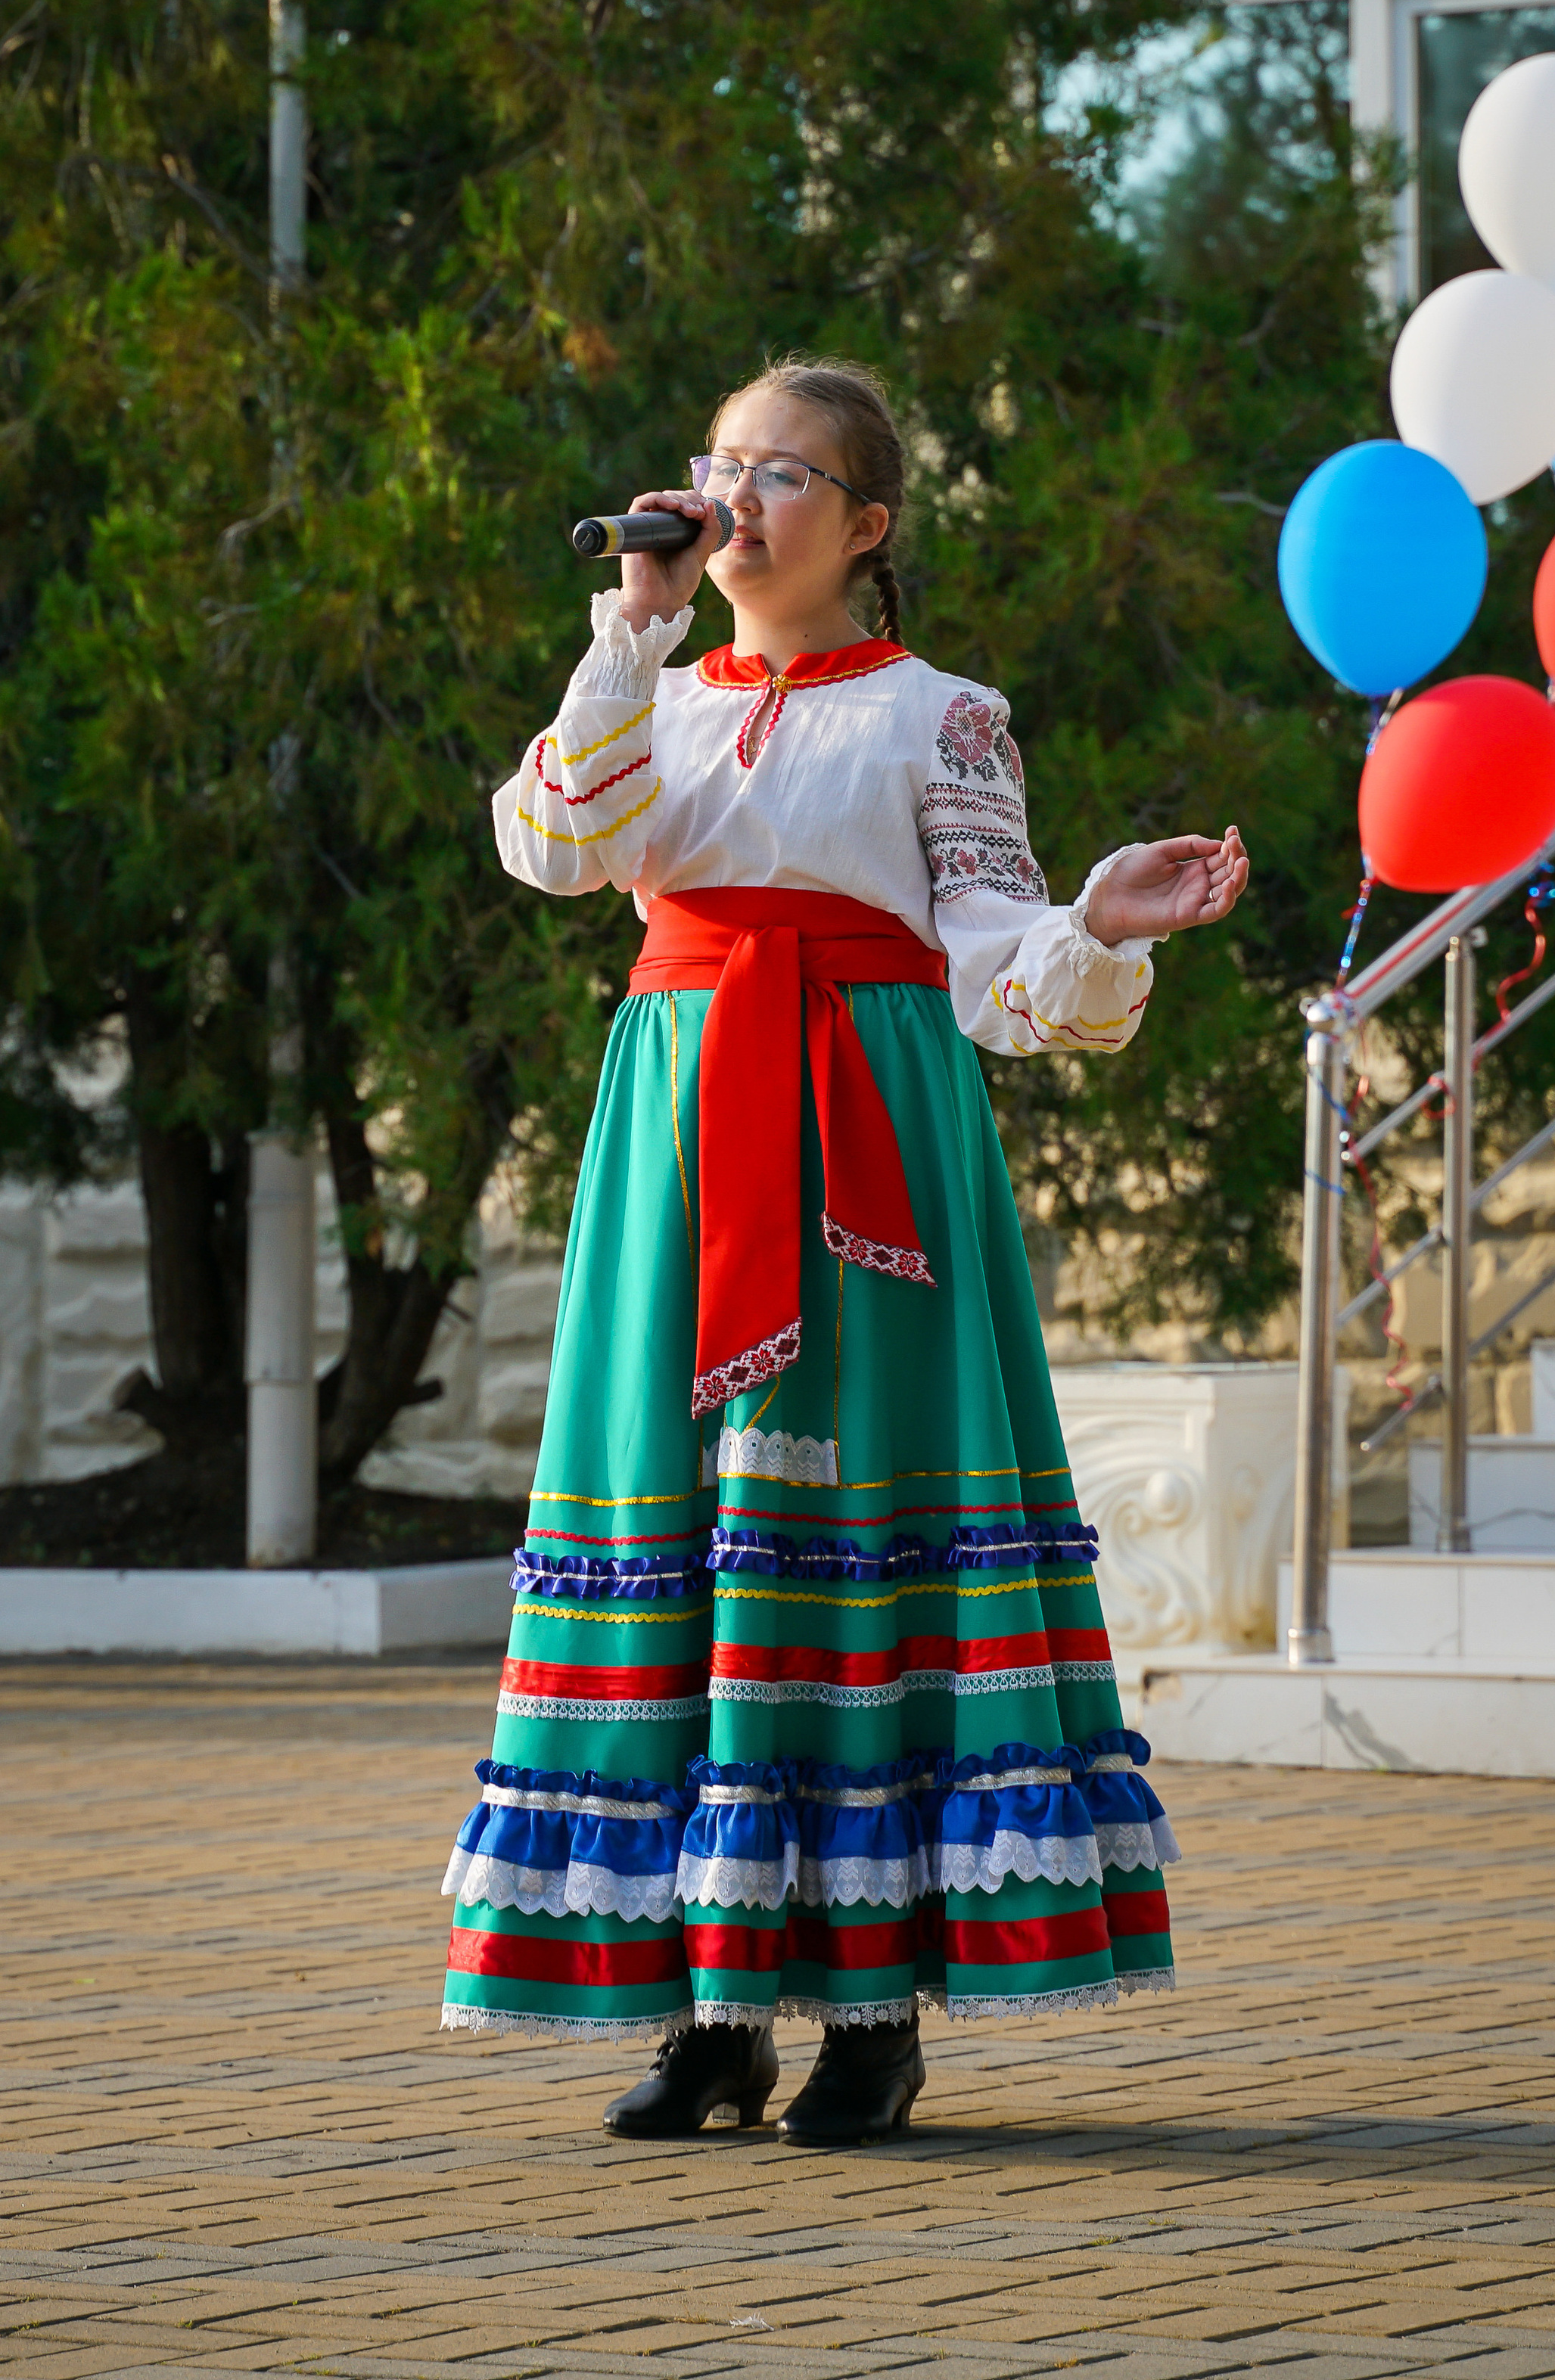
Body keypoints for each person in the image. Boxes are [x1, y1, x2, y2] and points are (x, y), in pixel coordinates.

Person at [440, 355, 1250, 2145]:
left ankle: (869, 2008)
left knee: (851, 1536)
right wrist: (628, 632)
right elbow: (557, 847)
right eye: (717, 466)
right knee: (694, 1539)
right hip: (677, 1126)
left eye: (783, 475)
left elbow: (985, 947)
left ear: (864, 525)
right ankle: (708, 2009)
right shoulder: (645, 691)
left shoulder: (939, 714)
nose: (737, 499)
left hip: (861, 1148)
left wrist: (1090, 922)